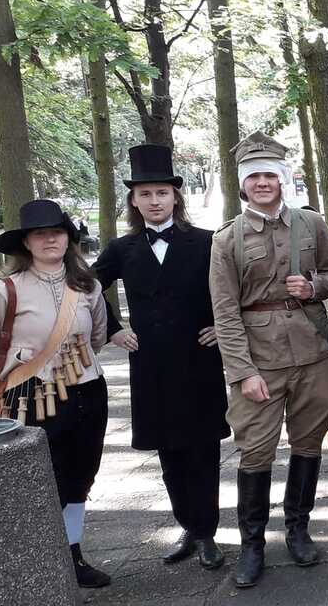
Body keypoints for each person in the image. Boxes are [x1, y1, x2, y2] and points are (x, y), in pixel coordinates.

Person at [209, 131, 328, 588]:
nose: (263, 183)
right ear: (244, 185)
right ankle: (252, 545)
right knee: (256, 450)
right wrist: (242, 372)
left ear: (282, 180)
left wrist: (314, 287)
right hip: (259, 360)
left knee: (307, 443)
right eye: (255, 177)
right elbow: (225, 314)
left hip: (312, 352)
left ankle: (298, 528)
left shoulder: (310, 224)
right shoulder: (226, 239)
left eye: (270, 175)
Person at [0, 199, 111, 588]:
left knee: (81, 477)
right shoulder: (4, 290)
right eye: (40, 234)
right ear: (26, 243)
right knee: (41, 477)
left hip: (88, 392)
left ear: (68, 238)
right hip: (31, 396)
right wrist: (12, 381)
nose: (50, 240)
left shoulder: (88, 285)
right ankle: (38, 558)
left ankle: (73, 556)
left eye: (57, 232)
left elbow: (95, 337)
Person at [92, 144, 230, 569]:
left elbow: (232, 291)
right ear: (134, 200)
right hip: (150, 363)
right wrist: (113, 328)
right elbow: (88, 286)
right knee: (169, 452)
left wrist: (221, 327)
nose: (155, 201)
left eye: (162, 193)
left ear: (176, 197)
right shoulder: (122, 248)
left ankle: (207, 532)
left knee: (203, 449)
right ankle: (187, 525)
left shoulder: (207, 242)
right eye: (146, 194)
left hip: (199, 358)